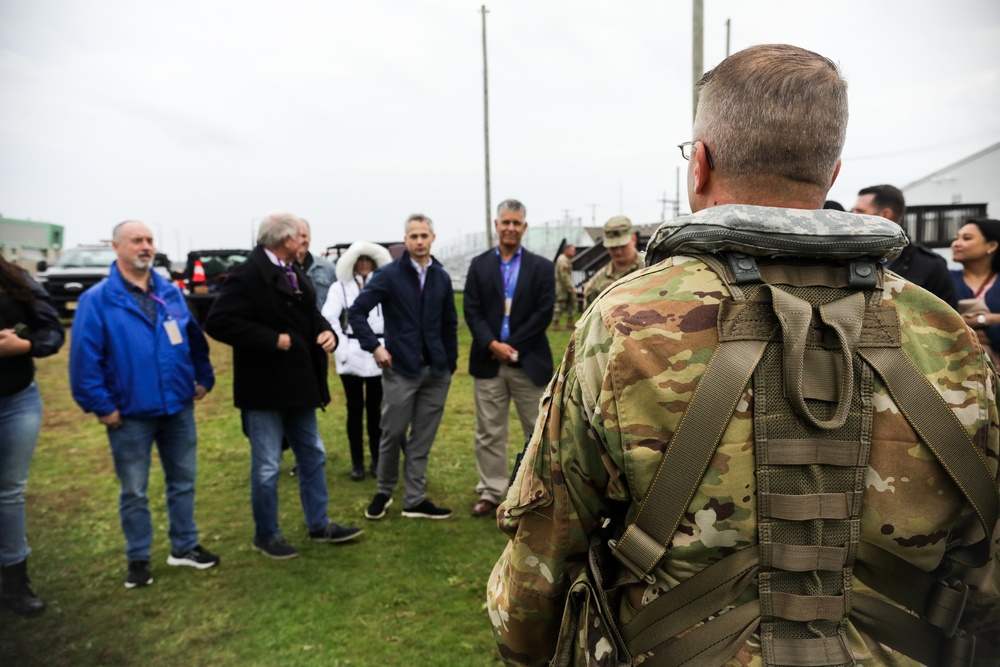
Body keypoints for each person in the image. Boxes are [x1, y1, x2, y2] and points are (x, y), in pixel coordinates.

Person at [488, 44, 1000, 666]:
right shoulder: (943, 331)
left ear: (699, 165)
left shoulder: (624, 325)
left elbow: (545, 549)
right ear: (832, 173)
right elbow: (983, 563)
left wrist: (525, 645)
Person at [69, 221, 219, 589]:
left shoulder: (169, 292)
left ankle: (184, 546)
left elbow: (195, 341)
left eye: (150, 240)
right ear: (117, 247)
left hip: (177, 408)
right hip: (129, 414)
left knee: (182, 482)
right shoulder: (98, 300)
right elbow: (85, 361)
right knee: (134, 490)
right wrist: (101, 405)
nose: (146, 246)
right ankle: (138, 558)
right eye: (137, 240)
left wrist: (202, 379)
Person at [204, 212, 361, 560]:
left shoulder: (294, 271)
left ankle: (319, 525)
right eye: (299, 236)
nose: (304, 241)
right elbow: (218, 321)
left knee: (313, 455)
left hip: (300, 386)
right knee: (266, 466)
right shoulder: (248, 275)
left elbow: (310, 314)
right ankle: (266, 535)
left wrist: (326, 331)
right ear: (284, 240)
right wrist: (271, 339)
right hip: (264, 389)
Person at [349, 214, 458, 521]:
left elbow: (450, 322)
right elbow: (357, 312)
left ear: (433, 238)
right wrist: (375, 346)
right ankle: (384, 490)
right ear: (405, 240)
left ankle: (414, 499)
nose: (420, 241)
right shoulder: (389, 275)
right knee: (392, 432)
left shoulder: (442, 276)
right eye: (414, 236)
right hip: (400, 369)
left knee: (422, 437)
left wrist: (450, 363)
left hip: (436, 372)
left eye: (424, 235)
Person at [464, 200, 555, 518]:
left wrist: (510, 345)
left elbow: (544, 313)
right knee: (489, 430)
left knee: (537, 430)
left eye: (516, 223)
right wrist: (491, 343)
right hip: (488, 362)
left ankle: (534, 491)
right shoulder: (479, 265)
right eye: (506, 222)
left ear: (524, 227)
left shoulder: (542, 268)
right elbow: (471, 310)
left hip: (527, 361)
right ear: (496, 224)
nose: (511, 228)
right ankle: (490, 491)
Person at [0, 256, 64, 614]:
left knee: (9, 492)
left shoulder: (14, 280)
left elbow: (51, 330)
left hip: (15, 399)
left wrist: (23, 346)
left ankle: (14, 583)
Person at [321, 241, 393, 481]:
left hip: (378, 352)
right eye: (359, 260)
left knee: (376, 410)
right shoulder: (339, 287)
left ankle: (376, 460)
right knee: (354, 410)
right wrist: (340, 346)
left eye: (368, 260)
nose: (363, 265)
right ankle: (357, 463)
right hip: (350, 351)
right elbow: (329, 316)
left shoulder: (383, 284)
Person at [853, 184, 958, 308]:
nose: (852, 216)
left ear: (885, 215)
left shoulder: (930, 266)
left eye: (860, 211)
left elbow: (946, 320)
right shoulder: (847, 257)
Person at [950, 217, 1000, 366]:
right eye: (956, 238)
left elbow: (956, 325)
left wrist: (974, 323)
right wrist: (992, 319)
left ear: (991, 245)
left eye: (966, 238)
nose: (956, 244)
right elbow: (939, 321)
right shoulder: (946, 278)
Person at [582, 215, 644, 307]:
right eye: (613, 247)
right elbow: (589, 317)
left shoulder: (652, 267)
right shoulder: (597, 282)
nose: (618, 251)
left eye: (623, 246)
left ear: (633, 239)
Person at [296, 219, 337, 311]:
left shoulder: (328, 269)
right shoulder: (284, 269)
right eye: (296, 236)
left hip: (322, 323)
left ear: (310, 238)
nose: (301, 240)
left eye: (304, 236)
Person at [552, 244, 576, 331]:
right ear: (567, 250)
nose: (574, 252)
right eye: (572, 250)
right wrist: (570, 287)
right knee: (560, 304)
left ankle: (570, 323)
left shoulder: (566, 259)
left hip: (565, 285)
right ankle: (556, 324)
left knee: (572, 303)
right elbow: (564, 275)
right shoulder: (563, 260)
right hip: (562, 286)